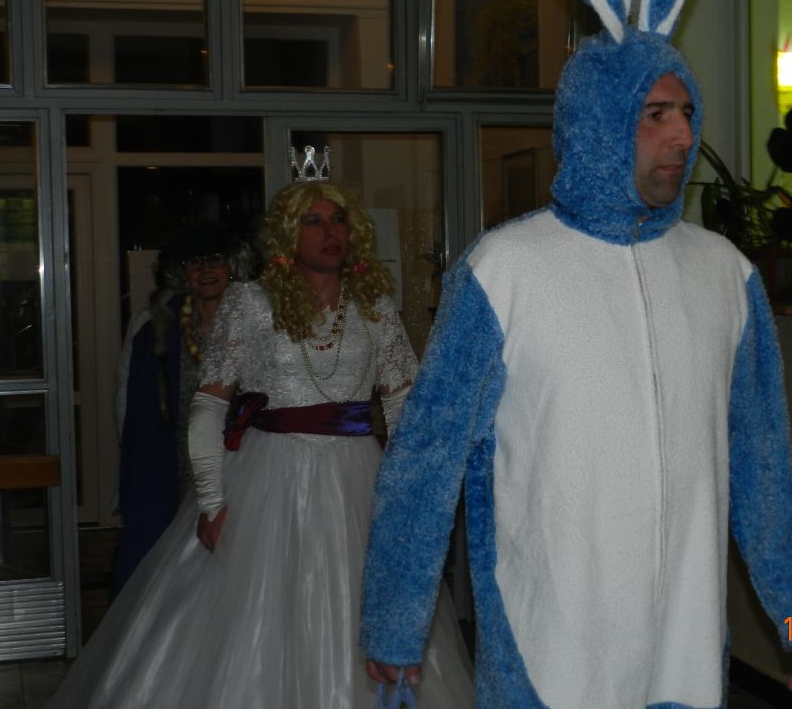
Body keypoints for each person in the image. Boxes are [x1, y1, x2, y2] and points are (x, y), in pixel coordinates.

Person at [360, 0, 792, 707]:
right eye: (655, 115)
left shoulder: (726, 276)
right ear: (598, 121)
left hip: (682, 652)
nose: (682, 136)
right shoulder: (505, 271)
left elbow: (762, 460)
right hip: (550, 650)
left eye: (687, 112)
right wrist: (395, 618)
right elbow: (428, 457)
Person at [48, 174, 473, 708]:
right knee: (252, 613)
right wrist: (211, 500)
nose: (329, 232)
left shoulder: (375, 306)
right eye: (313, 222)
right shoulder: (249, 302)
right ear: (288, 234)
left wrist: (407, 491)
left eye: (338, 220)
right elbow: (209, 405)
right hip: (267, 476)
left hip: (355, 475)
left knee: (359, 599)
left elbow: (403, 403)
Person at [111, 221, 247, 596]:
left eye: (216, 260)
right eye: (195, 262)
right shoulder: (155, 329)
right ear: (181, 271)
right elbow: (129, 407)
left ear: (233, 265)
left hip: (239, 466)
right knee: (173, 573)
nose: (206, 270)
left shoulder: (254, 325)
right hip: (173, 466)